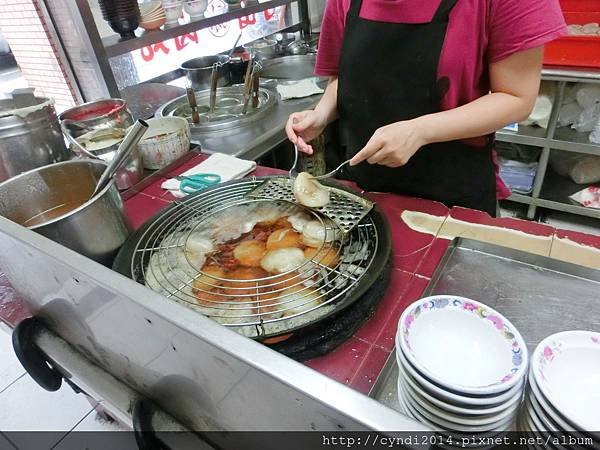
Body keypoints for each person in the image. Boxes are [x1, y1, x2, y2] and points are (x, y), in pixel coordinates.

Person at [285, 0, 566, 216]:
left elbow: (516, 98)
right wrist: (321, 113)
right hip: (363, 188)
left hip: (452, 194)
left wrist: (419, 131)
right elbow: (345, 79)